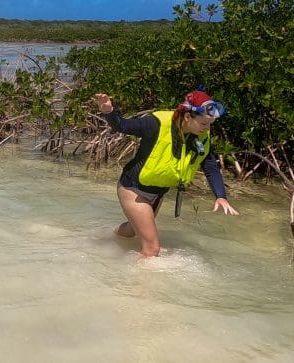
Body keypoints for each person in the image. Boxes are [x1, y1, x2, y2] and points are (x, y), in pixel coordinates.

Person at [94, 89, 239, 257]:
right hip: (133, 189)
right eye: (204, 123)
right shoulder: (155, 124)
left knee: (132, 231)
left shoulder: (201, 137)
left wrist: (221, 196)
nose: (207, 129)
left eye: (210, 124)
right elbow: (123, 126)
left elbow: (211, 167)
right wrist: (109, 112)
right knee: (152, 249)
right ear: (187, 117)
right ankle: (137, 282)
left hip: (157, 193)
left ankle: (105, 237)